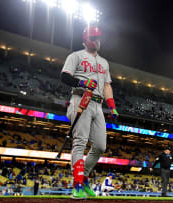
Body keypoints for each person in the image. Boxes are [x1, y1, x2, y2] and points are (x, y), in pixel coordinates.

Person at [61, 25, 119, 199]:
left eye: (98, 38)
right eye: (93, 38)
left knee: (100, 146)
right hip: (80, 100)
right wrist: (82, 83)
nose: (96, 41)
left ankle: (84, 176)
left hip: (98, 104)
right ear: (85, 41)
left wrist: (112, 105)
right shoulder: (76, 55)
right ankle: (77, 185)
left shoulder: (104, 62)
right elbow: (64, 76)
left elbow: (107, 85)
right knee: (80, 142)